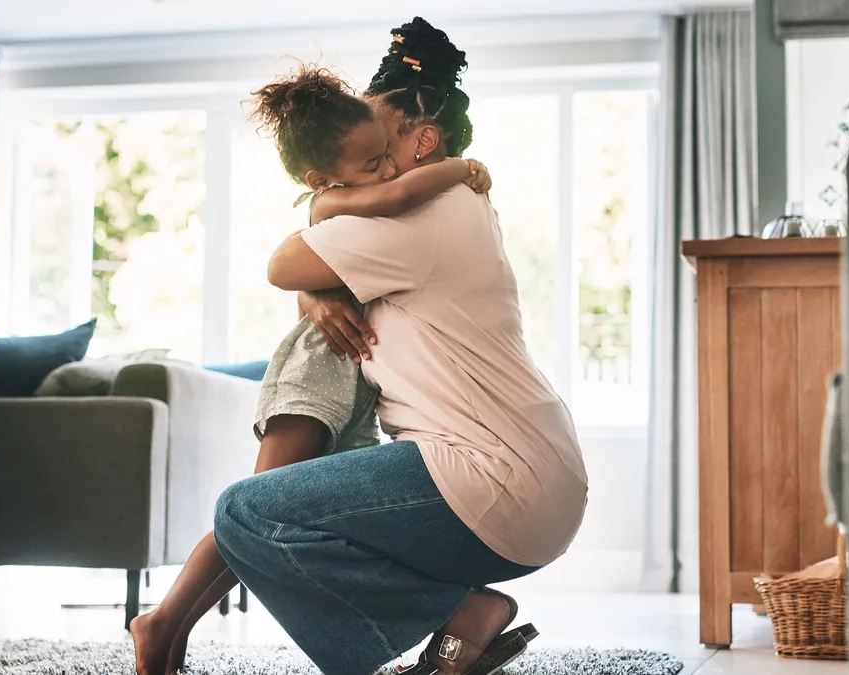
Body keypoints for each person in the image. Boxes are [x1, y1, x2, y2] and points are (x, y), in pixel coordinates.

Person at [213, 16, 589, 675]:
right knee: (276, 508)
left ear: (423, 136)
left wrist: (316, 272)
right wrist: (323, 293)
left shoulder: (421, 211)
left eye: (378, 138)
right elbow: (311, 272)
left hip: (490, 475)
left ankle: (464, 612)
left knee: (245, 511)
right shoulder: (446, 206)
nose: (370, 158)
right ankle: (455, 613)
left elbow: (282, 265)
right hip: (525, 475)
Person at [130, 64, 492, 675]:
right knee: (255, 505)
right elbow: (391, 201)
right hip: (319, 367)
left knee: (288, 514)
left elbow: (332, 274)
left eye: (384, 156)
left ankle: (166, 626)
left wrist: (317, 293)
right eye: (371, 162)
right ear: (320, 178)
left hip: (355, 378)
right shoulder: (338, 198)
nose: (384, 169)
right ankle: (162, 622)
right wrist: (462, 170)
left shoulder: (351, 193)